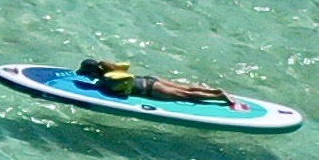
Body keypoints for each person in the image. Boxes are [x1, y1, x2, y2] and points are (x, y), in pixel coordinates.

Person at [81, 59, 237, 104]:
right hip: (150, 79)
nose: (86, 77)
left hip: (151, 90)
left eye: (87, 74)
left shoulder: (106, 81)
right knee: (186, 88)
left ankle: (218, 96)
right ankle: (211, 90)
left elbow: (120, 95)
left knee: (186, 95)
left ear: (94, 72)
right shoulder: (110, 70)